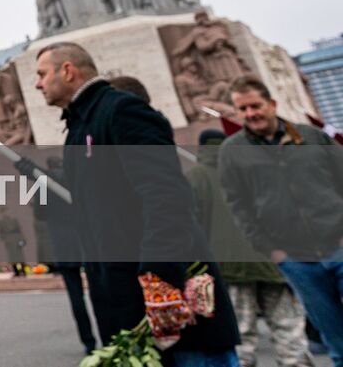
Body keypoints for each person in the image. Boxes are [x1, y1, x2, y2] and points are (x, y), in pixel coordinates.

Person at [34, 42, 240, 366]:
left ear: (68, 70)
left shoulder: (121, 110)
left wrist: (159, 278)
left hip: (170, 303)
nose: (37, 83)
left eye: (42, 74)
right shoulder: (77, 130)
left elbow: (166, 196)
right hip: (125, 307)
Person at [219, 76, 343, 367]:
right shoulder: (232, 152)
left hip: (338, 246)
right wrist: (272, 251)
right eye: (243, 109)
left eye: (255, 105)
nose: (251, 114)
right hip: (296, 259)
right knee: (333, 336)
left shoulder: (312, 137)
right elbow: (238, 205)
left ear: (272, 104)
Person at [188, 129, 311, 367]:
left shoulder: (196, 177)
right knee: (289, 331)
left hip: (231, 268)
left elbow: (194, 226)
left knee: (241, 336)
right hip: (273, 262)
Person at [32, 157, 99, 355]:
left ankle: (89, 342)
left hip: (62, 244)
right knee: (99, 289)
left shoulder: (43, 182)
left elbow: (40, 213)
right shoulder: (75, 177)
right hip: (86, 239)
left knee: (76, 296)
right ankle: (108, 333)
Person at [0, 211, 27, 277]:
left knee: (20, 256)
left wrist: (22, 238)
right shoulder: (0, 222)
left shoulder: (14, 220)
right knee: (12, 257)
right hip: (9, 240)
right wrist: (4, 239)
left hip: (16, 239)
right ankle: (16, 271)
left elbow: (19, 229)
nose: (5, 213)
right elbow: (1, 232)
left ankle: (23, 270)